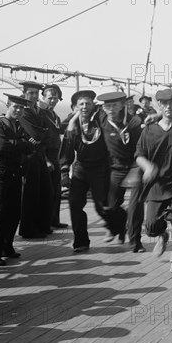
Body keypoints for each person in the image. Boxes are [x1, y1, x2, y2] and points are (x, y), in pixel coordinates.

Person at [134, 89, 172, 271]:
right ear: (158, 104)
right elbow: (139, 155)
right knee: (150, 226)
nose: (168, 107)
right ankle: (162, 236)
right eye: (164, 104)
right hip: (156, 184)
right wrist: (148, 167)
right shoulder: (149, 129)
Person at [0, 93, 34, 266]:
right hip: (0, 171)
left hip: (15, 171)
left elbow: (32, 144)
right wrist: (20, 143)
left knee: (14, 212)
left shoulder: (19, 126)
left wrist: (18, 143)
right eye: (15, 107)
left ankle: (7, 246)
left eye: (21, 108)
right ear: (8, 106)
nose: (18, 110)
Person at [60, 90, 110, 253]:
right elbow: (66, 149)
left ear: (93, 105)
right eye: (81, 104)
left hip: (100, 168)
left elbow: (107, 117)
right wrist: (64, 171)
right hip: (81, 169)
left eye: (88, 103)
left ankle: (116, 222)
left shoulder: (100, 119)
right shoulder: (72, 126)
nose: (84, 106)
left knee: (102, 206)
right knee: (75, 204)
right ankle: (81, 241)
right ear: (74, 107)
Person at [97, 92, 145, 252]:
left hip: (134, 166)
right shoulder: (101, 119)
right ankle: (118, 227)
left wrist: (136, 167)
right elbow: (81, 116)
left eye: (115, 105)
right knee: (111, 206)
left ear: (122, 105)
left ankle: (135, 242)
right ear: (103, 107)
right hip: (115, 168)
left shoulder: (133, 122)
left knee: (135, 206)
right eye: (107, 106)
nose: (111, 109)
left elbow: (140, 146)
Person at [18, 81, 53, 239]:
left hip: (39, 154)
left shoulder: (38, 110)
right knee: (31, 193)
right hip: (29, 156)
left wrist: (41, 134)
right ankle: (28, 229)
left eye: (36, 93)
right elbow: (35, 134)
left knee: (45, 191)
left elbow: (50, 132)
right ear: (24, 93)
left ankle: (43, 225)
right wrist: (41, 134)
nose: (33, 96)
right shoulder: (24, 111)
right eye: (30, 93)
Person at [40, 84, 67, 230]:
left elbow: (59, 129)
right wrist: (46, 159)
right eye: (50, 98)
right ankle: (46, 222)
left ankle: (54, 220)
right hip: (47, 154)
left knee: (56, 189)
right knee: (47, 190)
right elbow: (38, 140)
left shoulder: (54, 115)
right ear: (43, 98)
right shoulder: (41, 114)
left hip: (56, 154)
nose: (52, 101)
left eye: (55, 98)